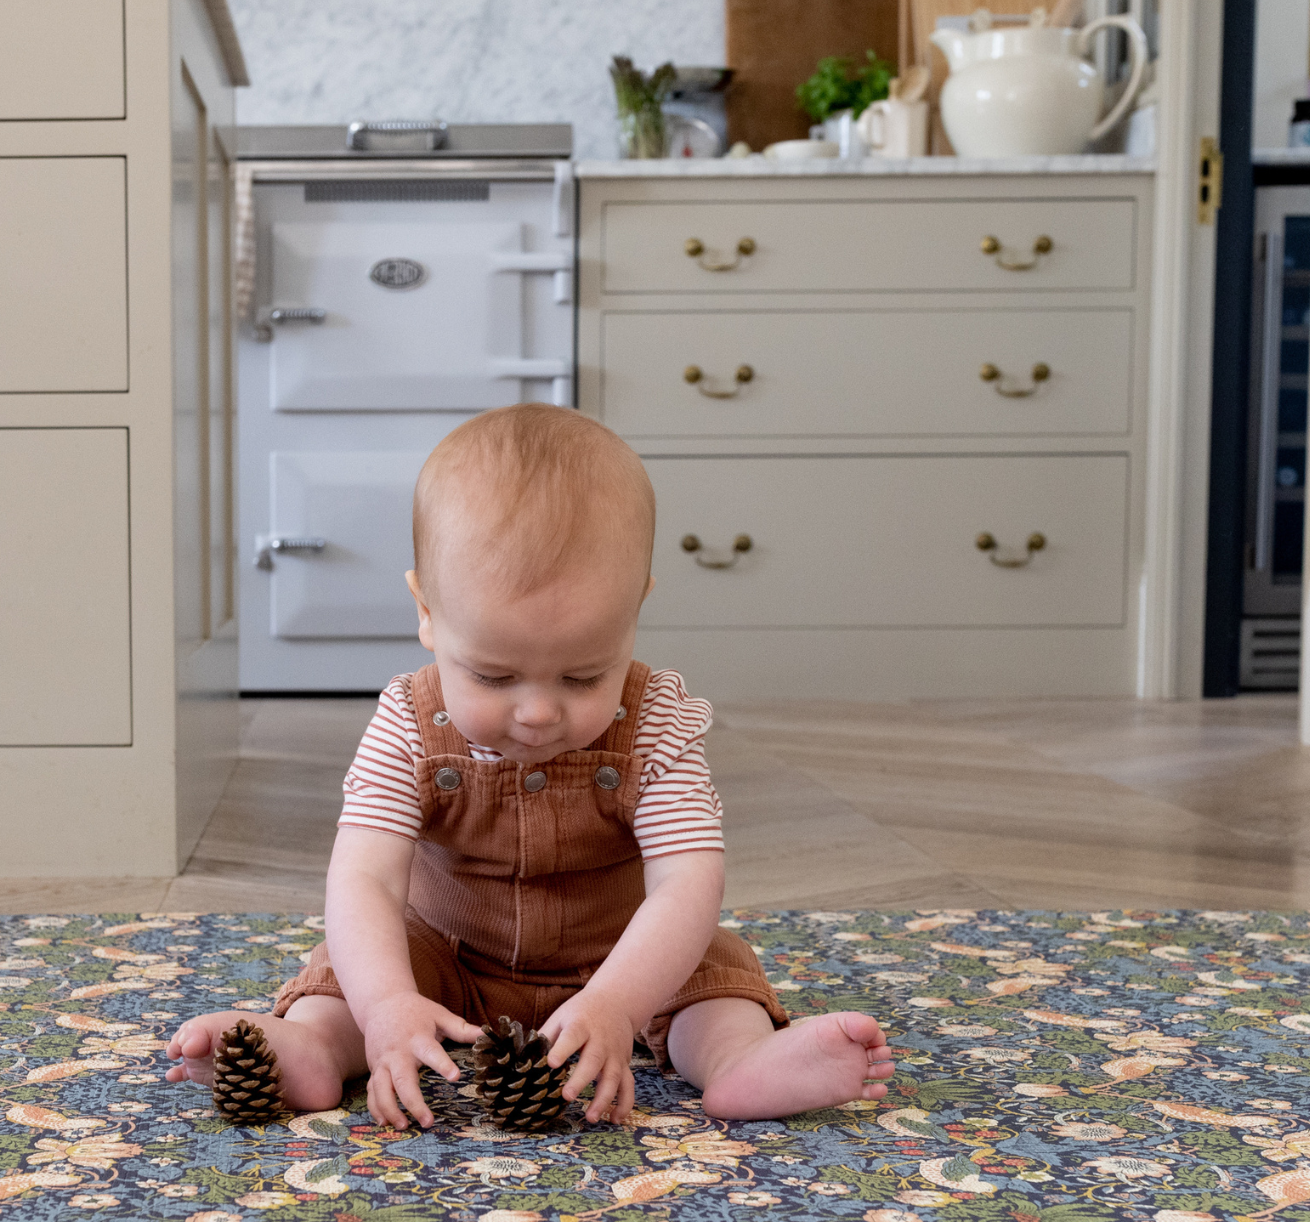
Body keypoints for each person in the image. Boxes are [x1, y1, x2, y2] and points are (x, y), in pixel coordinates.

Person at [166, 403, 893, 1127]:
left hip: (623, 958)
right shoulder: (408, 723)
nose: (539, 712)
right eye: (493, 676)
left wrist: (617, 1000)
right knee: (353, 970)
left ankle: (739, 1060)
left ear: (634, 610)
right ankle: (316, 1046)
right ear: (426, 612)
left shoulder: (658, 717)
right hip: (448, 960)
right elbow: (365, 875)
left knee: (711, 972)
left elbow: (686, 878)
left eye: (583, 677)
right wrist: (387, 1004)